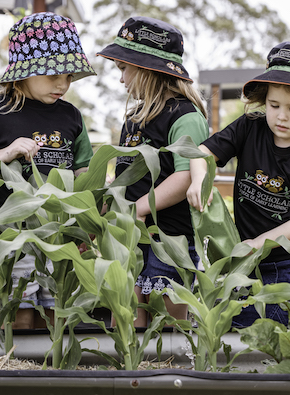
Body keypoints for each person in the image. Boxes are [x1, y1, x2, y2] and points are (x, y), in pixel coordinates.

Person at [0, 11, 96, 329]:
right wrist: (6, 153)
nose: (62, 83)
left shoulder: (71, 116)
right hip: (12, 239)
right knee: (22, 319)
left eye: (69, 75)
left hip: (60, 239)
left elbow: (83, 173)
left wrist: (94, 210)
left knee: (58, 322)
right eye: (53, 73)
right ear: (24, 70)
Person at [186, 42, 290, 327]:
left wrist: (260, 243)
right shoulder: (249, 127)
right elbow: (202, 153)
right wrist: (198, 178)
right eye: (274, 105)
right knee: (240, 326)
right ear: (263, 100)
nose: (281, 115)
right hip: (245, 255)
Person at [97, 16, 209, 327]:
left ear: (147, 69)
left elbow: (186, 176)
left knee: (169, 325)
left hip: (169, 239)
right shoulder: (133, 119)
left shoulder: (185, 117)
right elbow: (123, 177)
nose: (122, 80)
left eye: (124, 69)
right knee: (132, 319)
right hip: (132, 237)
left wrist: (138, 209)